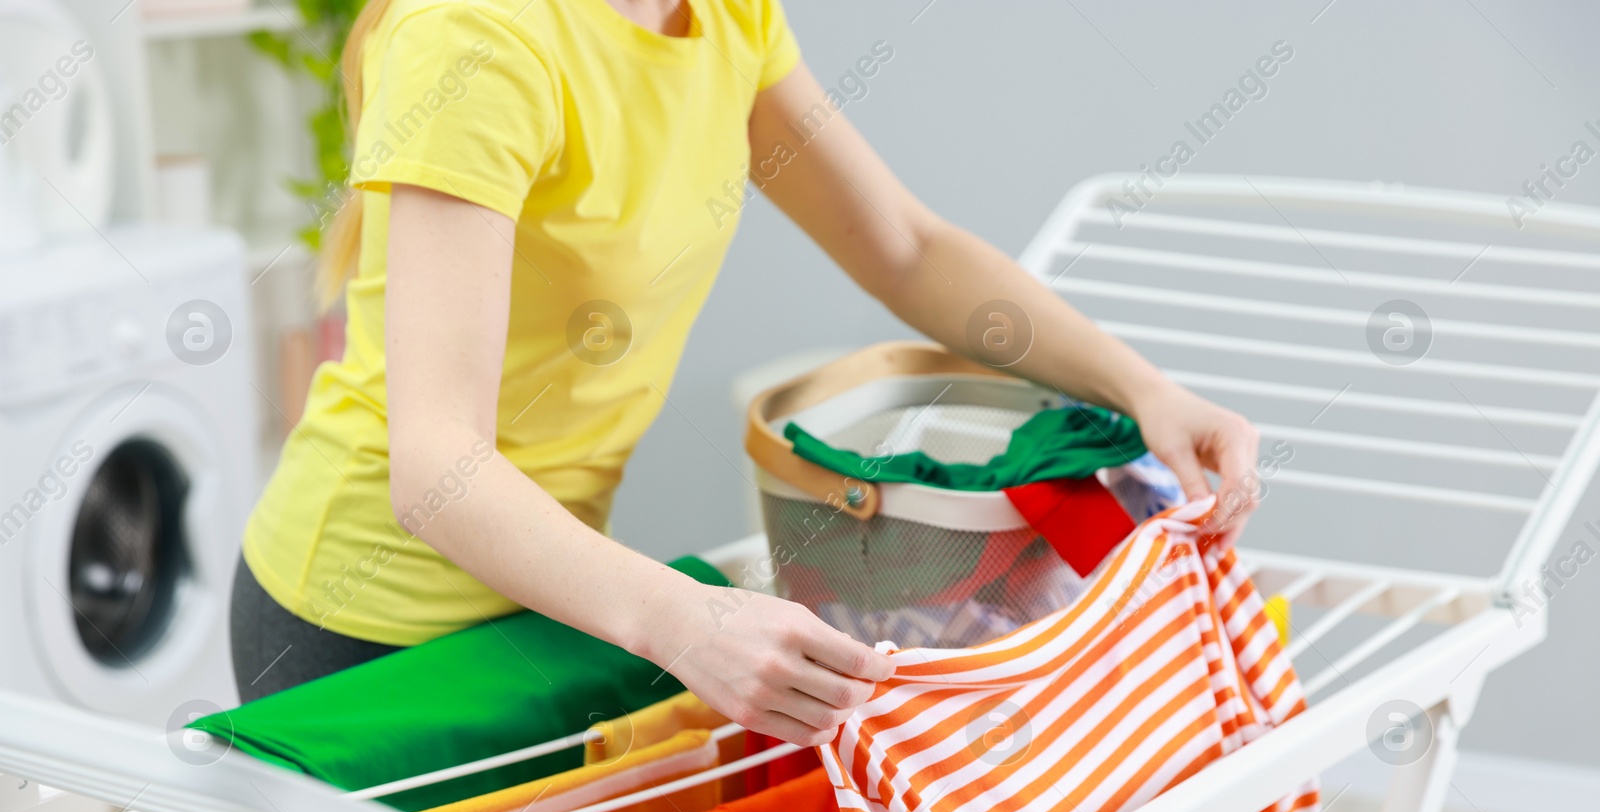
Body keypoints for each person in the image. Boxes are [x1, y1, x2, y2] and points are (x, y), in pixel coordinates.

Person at [232, 0, 1260, 746]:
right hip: (362, 623)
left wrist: (1143, 389)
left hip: (546, 592)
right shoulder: (479, 35)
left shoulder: (724, 17)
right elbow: (434, 465)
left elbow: (901, 245)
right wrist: (685, 620)